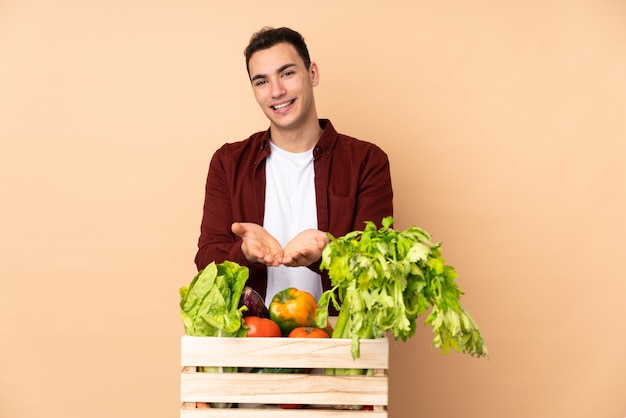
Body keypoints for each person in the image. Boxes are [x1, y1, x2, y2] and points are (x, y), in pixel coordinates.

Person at [194, 26, 393, 306]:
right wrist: (244, 253)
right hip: (253, 336)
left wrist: (326, 255)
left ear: (312, 74)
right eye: (261, 82)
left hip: (339, 339)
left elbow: (380, 265)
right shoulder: (228, 163)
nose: (277, 91)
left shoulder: (366, 161)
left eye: (287, 73)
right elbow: (206, 261)